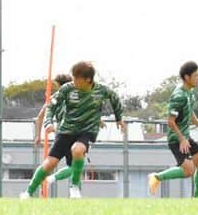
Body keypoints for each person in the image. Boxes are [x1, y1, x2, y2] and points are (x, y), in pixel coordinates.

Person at [23, 61, 123, 199]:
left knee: (77, 150)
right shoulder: (67, 89)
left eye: (77, 78)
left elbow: (115, 98)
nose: (74, 80)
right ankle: (28, 192)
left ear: (88, 79)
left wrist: (119, 118)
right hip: (66, 131)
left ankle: (74, 186)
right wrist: (47, 123)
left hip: (86, 131)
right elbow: (49, 108)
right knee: (50, 163)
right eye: (73, 77)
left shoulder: (101, 91)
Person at [148, 60, 198, 198]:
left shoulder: (190, 93)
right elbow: (170, 122)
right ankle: (156, 177)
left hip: (185, 137)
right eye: (195, 75)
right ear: (186, 77)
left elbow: (189, 112)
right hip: (176, 139)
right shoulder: (179, 97)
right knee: (188, 171)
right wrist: (182, 139)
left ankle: (197, 198)